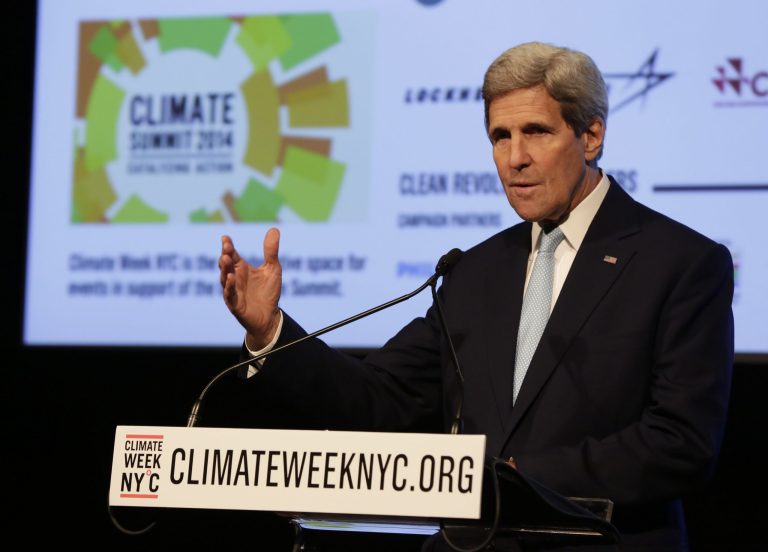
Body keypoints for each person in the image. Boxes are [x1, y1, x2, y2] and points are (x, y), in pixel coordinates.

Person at [218, 41, 734, 551]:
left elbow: (681, 444)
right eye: (499, 137)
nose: (515, 159)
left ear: (591, 135)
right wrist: (270, 332)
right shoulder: (475, 271)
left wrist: (513, 477)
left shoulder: (680, 263)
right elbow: (379, 398)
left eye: (536, 132)